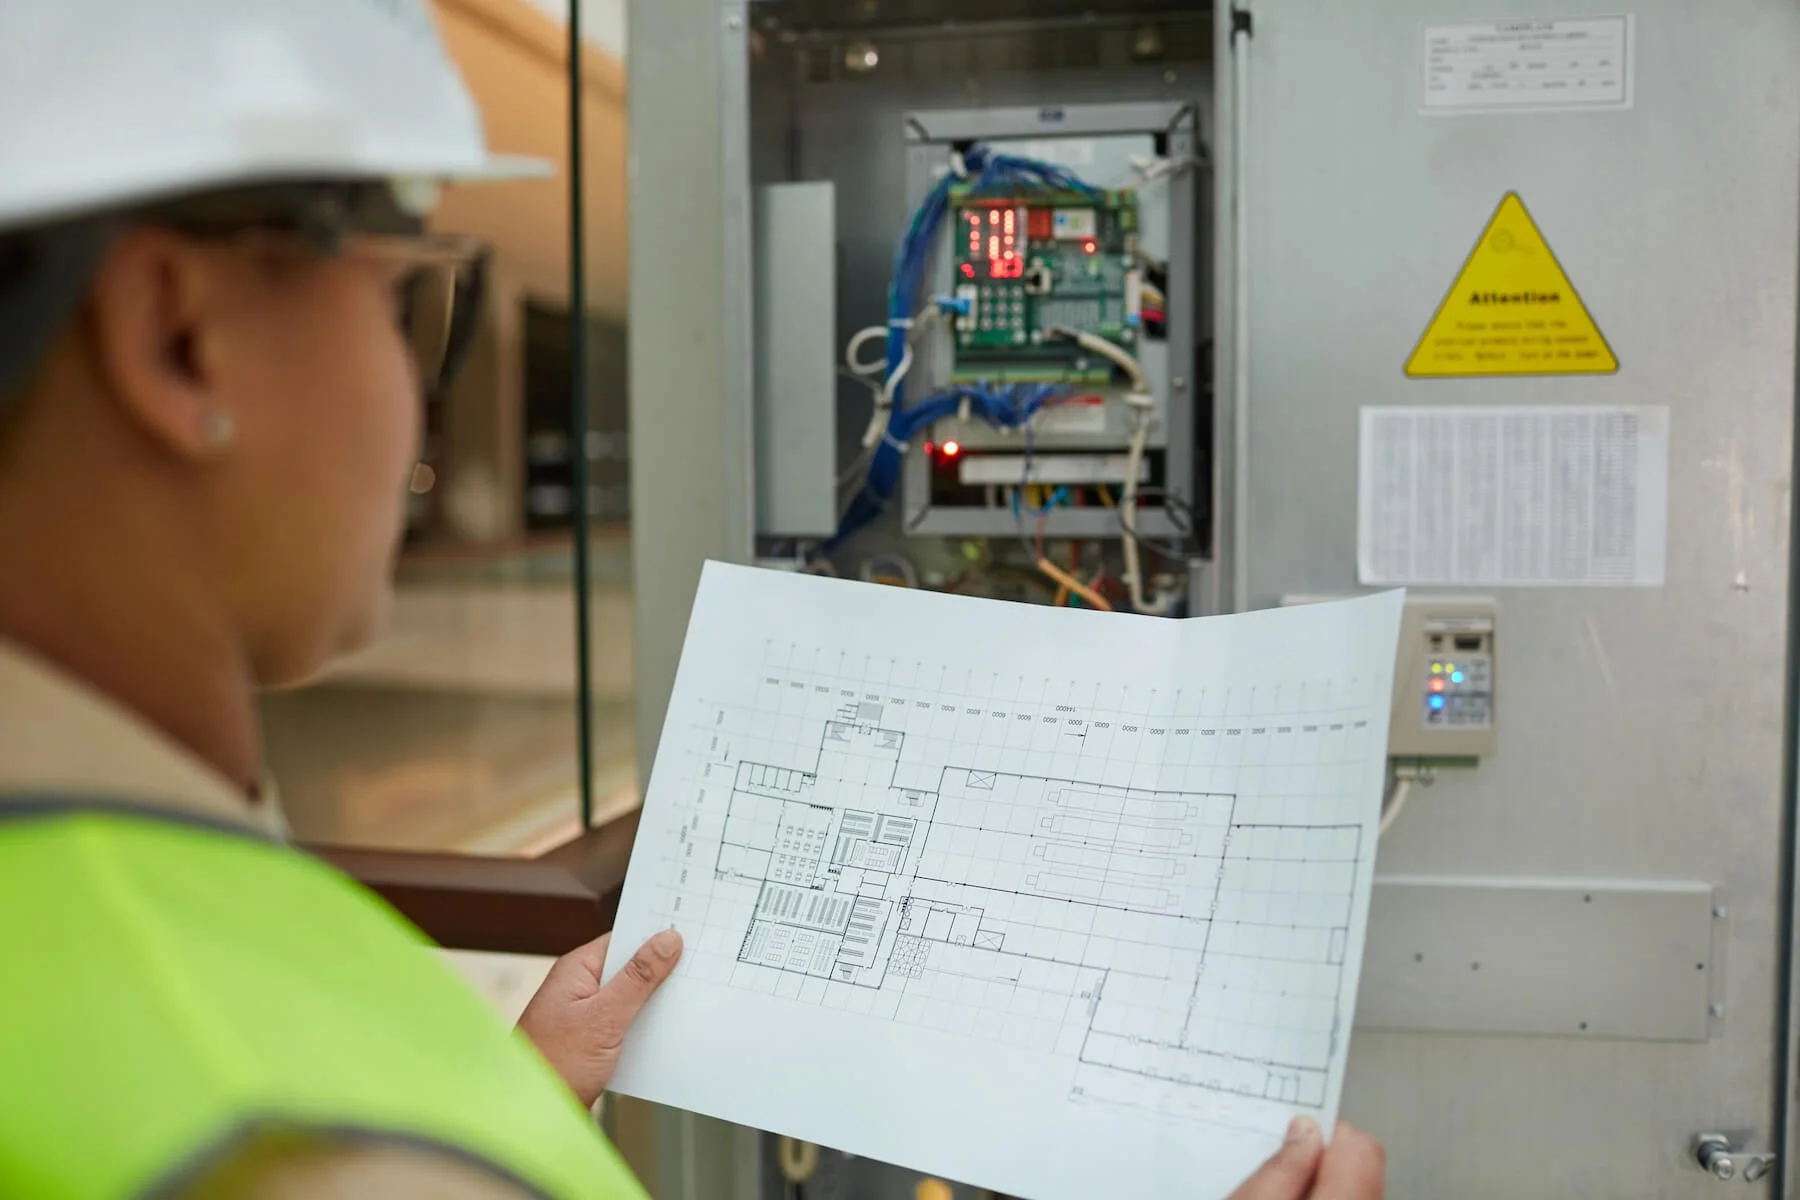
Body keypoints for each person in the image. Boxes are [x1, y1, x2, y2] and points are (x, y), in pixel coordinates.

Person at [0, 2, 1384, 1197]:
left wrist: (516, 1109)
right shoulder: (283, 1131)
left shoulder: (147, 952)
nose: (413, 396)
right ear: (180, 340)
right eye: (399, 303)